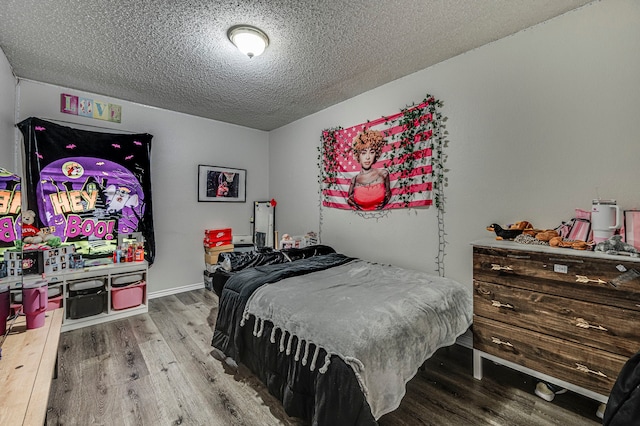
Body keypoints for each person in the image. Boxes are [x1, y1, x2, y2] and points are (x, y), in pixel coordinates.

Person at [347, 129, 391, 210]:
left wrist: (385, 201)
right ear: (358, 155)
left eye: (372, 152)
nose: (367, 157)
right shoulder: (354, 180)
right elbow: (349, 199)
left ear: (376, 153)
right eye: (363, 153)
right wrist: (352, 202)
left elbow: (388, 195)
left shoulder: (383, 174)